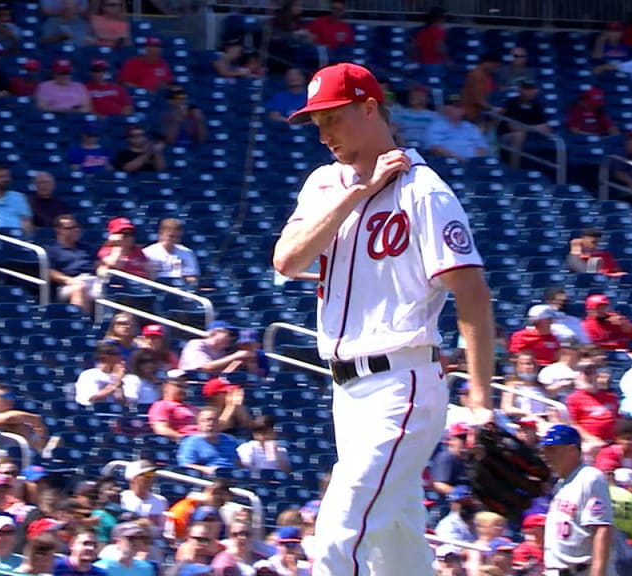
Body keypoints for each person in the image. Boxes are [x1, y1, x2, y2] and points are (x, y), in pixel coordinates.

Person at [272, 62, 494, 576]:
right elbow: (287, 260)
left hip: (403, 384)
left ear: (370, 108)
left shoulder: (424, 191)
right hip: (346, 392)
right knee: (395, 548)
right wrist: (357, 191)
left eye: (333, 118)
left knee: (336, 537)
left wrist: (481, 402)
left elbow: (474, 296)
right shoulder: (326, 184)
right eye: (316, 123)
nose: (324, 134)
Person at [540, 425, 613, 576]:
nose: (546, 455)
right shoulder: (560, 483)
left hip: (580, 571)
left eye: (552, 449)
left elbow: (601, 529)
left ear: (572, 450)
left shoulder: (590, 478)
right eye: (545, 449)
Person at [46, 214, 100, 312]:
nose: (76, 230)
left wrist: (103, 275)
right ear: (59, 230)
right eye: (70, 228)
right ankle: (80, 323)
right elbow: (50, 272)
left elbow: (97, 265)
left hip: (92, 279)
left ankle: (107, 323)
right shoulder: (52, 250)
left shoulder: (86, 247)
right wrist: (69, 281)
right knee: (79, 288)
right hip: (68, 284)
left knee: (108, 289)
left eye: (77, 227)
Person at [0, 383, 48, 452]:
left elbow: (38, 446)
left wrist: (42, 435)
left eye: (11, 396)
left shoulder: (22, 419)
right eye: (5, 397)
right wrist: (34, 418)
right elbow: (7, 418)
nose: (9, 400)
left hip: (23, 457)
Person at [497, 78, 550, 169]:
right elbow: (513, 127)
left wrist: (526, 128)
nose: (530, 92)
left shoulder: (536, 105)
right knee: (519, 135)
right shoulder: (511, 103)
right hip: (507, 136)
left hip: (530, 136)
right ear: (520, 90)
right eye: (527, 89)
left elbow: (546, 128)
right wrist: (535, 128)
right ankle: (514, 169)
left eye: (532, 89)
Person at [176, 407, 242, 475]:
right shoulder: (191, 442)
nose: (210, 424)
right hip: (209, 478)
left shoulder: (229, 440)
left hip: (232, 476)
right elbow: (185, 465)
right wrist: (206, 469)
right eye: (206, 420)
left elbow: (238, 463)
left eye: (214, 420)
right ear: (199, 424)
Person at [424, 94, 488, 161]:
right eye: (455, 106)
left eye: (459, 106)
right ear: (446, 108)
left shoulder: (471, 127)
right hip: (446, 163)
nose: (458, 109)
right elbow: (435, 148)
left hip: (472, 165)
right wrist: (458, 158)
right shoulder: (436, 126)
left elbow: (482, 148)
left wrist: (474, 161)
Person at [178, 321, 250, 373]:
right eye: (230, 334)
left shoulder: (221, 352)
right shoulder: (196, 344)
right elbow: (205, 368)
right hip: (191, 385)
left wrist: (238, 361)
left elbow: (223, 375)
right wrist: (236, 356)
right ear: (215, 333)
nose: (231, 338)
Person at [143, 218, 199, 284]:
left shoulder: (187, 253)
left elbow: (192, 278)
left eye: (177, 237)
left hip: (180, 288)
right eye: (171, 236)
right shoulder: (148, 253)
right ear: (161, 234)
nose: (174, 240)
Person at [75, 340, 126, 407]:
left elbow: (122, 403)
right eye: (117, 353)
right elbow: (92, 399)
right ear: (105, 357)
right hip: (93, 413)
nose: (121, 357)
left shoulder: (121, 375)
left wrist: (119, 385)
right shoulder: (89, 375)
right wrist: (115, 383)